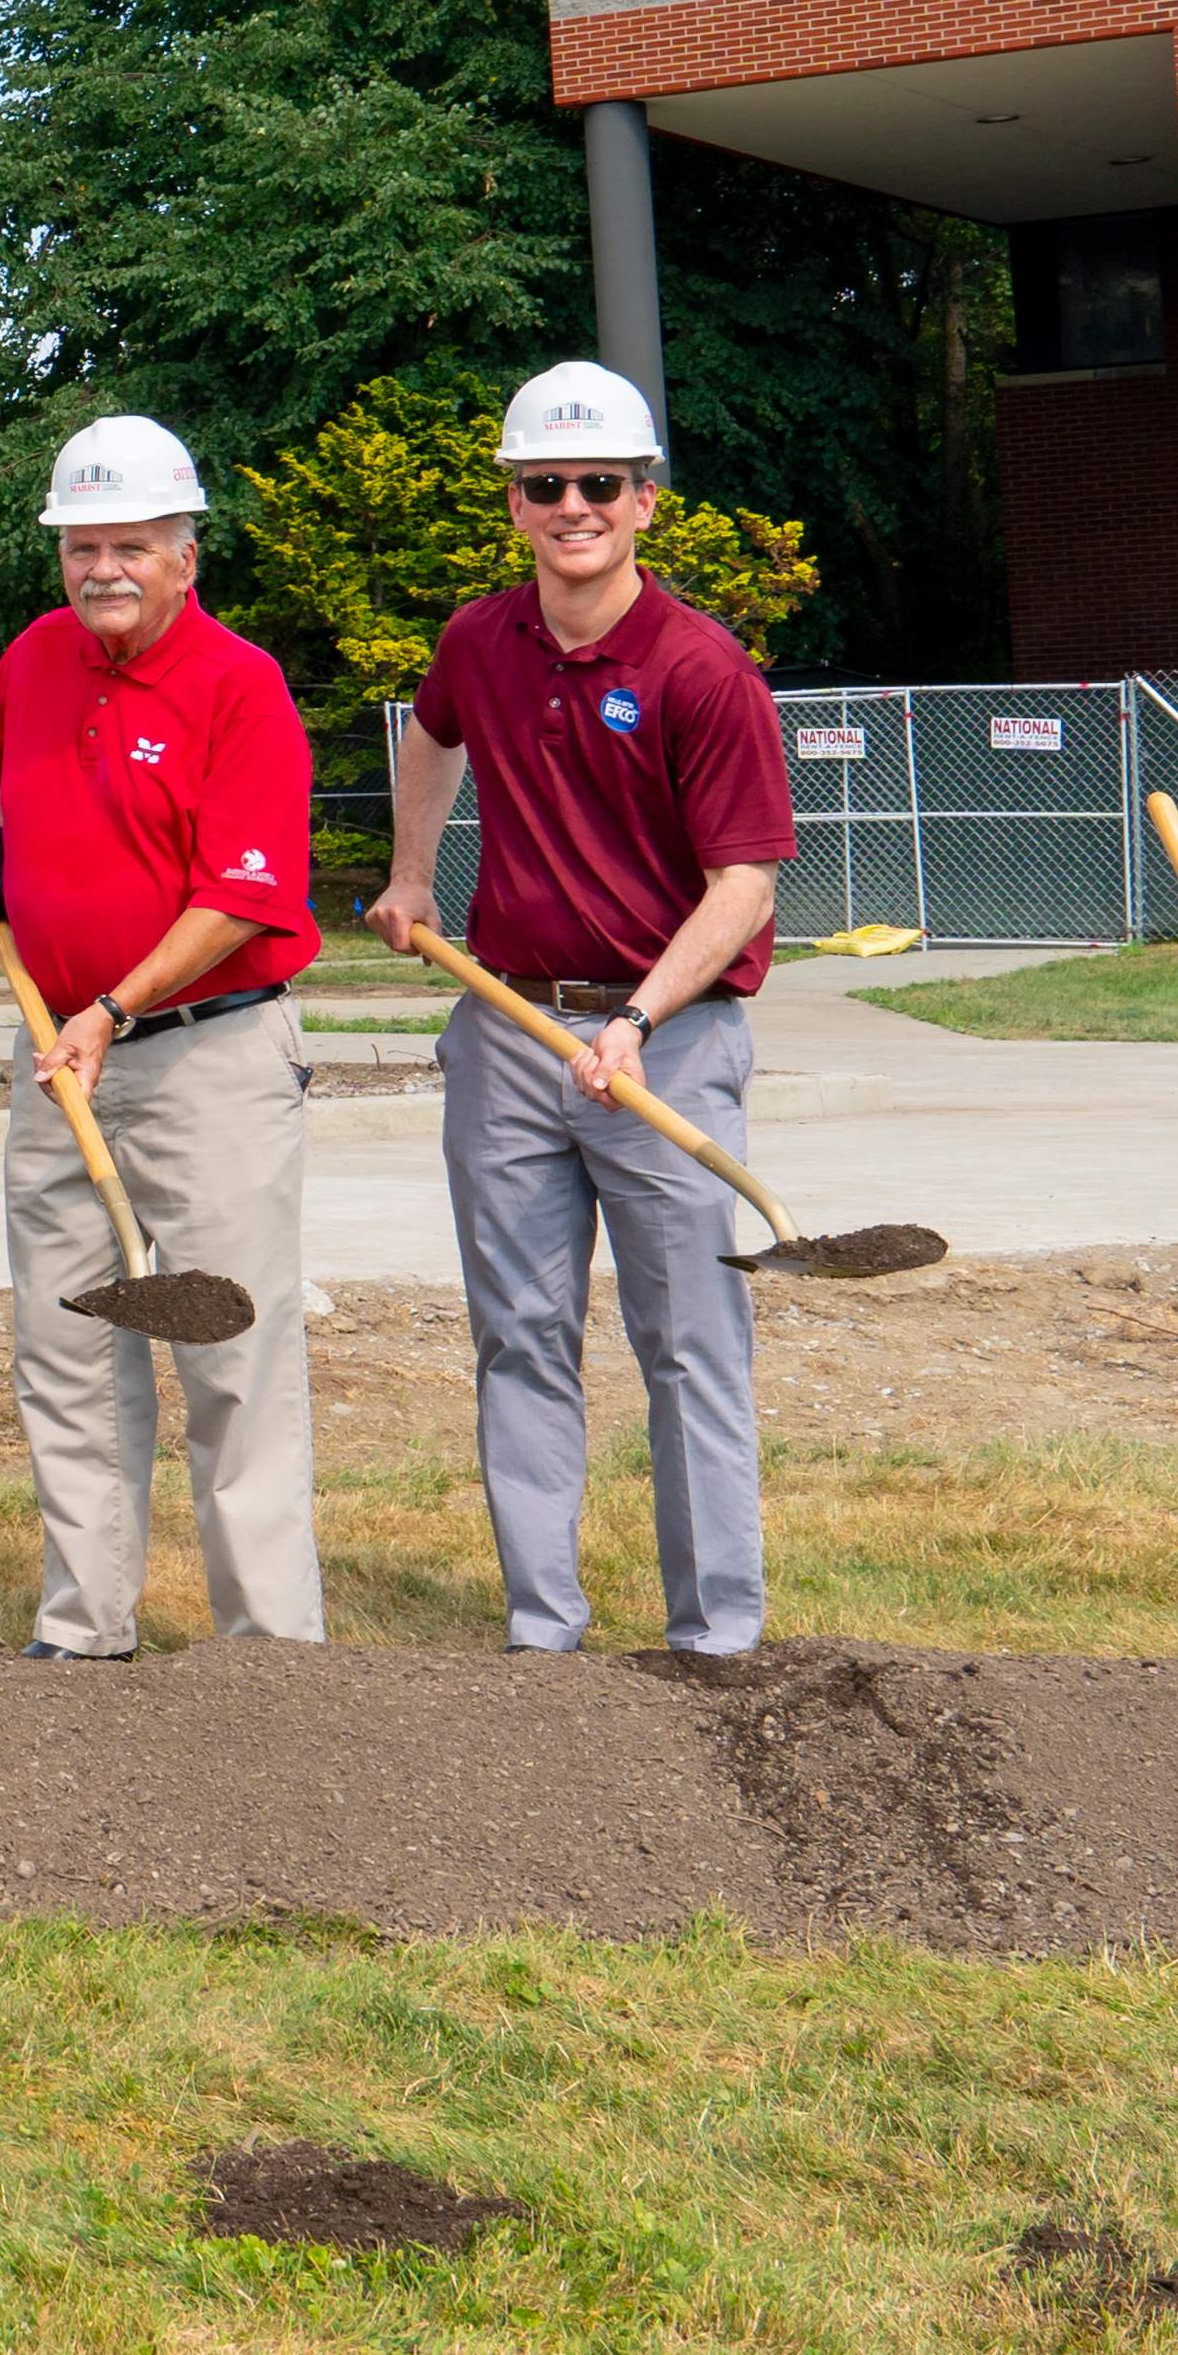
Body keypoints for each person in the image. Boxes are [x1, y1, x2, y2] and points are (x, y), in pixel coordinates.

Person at [373, 356, 796, 1658]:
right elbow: (430, 737)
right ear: (513, 501)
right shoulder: (475, 642)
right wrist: (408, 875)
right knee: (518, 1336)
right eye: (544, 483)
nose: (572, 505)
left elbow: (744, 882)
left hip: (665, 1040)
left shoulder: (697, 669)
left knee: (686, 1344)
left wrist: (641, 1020)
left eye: (597, 482)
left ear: (643, 500)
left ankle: (714, 1636)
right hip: (506, 1028)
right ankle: (540, 1627)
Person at [0, 413, 327, 1662]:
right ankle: (83, 1625)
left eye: (128, 546)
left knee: (231, 1347)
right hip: (58, 1057)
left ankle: (264, 1649)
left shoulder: (239, 683)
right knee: (64, 1342)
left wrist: (113, 1009)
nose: (101, 569)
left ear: (184, 552)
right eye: (80, 546)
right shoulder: (40, 654)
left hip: (203, 1053)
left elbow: (241, 894)